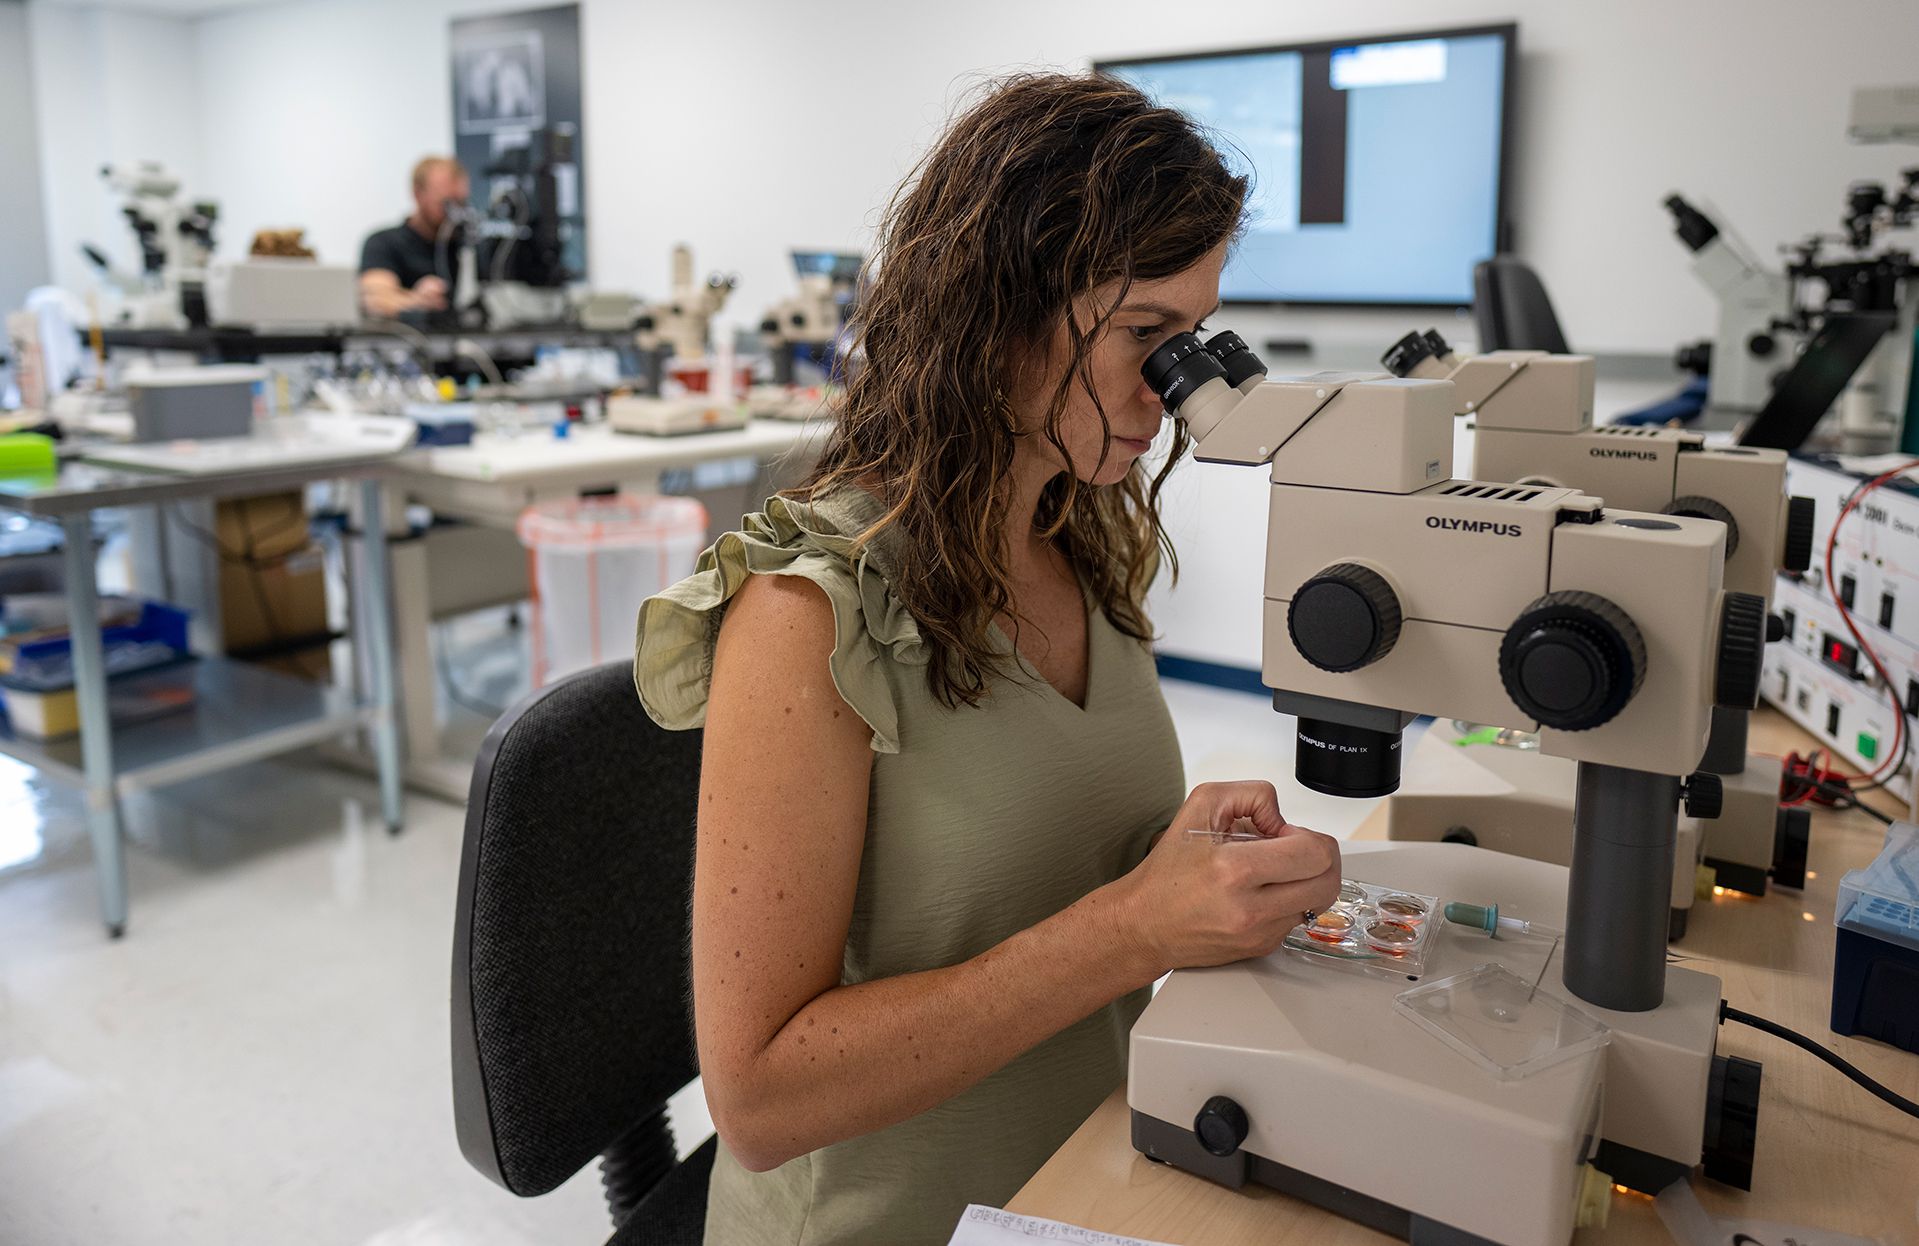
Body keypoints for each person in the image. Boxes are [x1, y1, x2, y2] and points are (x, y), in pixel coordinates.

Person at [634, 72, 1343, 1246]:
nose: (1175, 393)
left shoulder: (1082, 541)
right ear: (1001, 309)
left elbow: (1051, 875)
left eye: (1195, 337)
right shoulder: (811, 612)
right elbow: (756, 1101)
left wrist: (1179, 869)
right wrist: (1130, 927)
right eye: (1144, 337)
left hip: (1086, 1182)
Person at [357, 156, 469, 318]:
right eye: (446, 204)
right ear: (418, 194)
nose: (454, 214)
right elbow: (375, 301)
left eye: (461, 203)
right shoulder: (384, 243)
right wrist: (417, 300)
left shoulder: (469, 248)